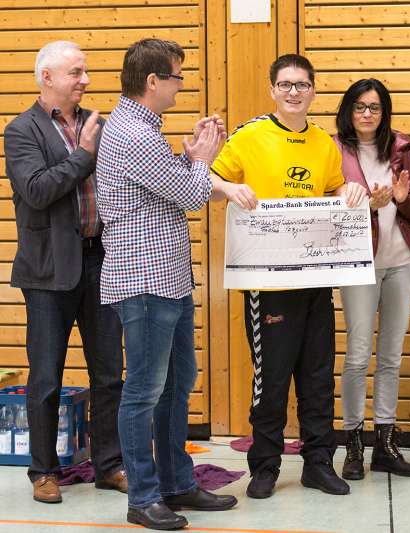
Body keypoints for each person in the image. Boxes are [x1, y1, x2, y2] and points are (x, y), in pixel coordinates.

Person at [96, 38, 238, 530]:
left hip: (169, 278)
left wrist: (189, 155)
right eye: (177, 76)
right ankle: (143, 496)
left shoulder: (144, 131)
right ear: (153, 81)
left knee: (177, 385)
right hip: (144, 280)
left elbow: (170, 185)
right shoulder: (133, 134)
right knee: (144, 390)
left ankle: (177, 482)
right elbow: (191, 193)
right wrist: (202, 157)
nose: (182, 84)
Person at [210, 53, 366, 499]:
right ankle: (265, 467)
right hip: (268, 285)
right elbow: (208, 178)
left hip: (315, 279)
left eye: (302, 85)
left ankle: (319, 463)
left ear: (314, 90)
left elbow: (333, 188)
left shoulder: (323, 142)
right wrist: (228, 187)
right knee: (271, 379)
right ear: (272, 90)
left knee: (318, 378)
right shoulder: (249, 136)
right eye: (286, 85)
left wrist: (347, 189)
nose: (294, 92)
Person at [4, 40, 127, 504]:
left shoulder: (98, 123)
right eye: (76, 72)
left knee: (109, 373)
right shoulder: (20, 131)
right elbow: (36, 190)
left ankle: (109, 465)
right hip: (48, 271)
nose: (86, 81)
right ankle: (43, 471)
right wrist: (84, 156)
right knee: (46, 378)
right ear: (47, 78)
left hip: (102, 260)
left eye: (86, 72)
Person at [332, 79, 410, 480]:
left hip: (401, 261)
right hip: (358, 263)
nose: (367, 114)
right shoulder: (333, 148)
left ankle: (386, 445)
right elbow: (325, 208)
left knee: (390, 356)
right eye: (359, 107)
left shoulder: (402, 148)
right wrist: (363, 207)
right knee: (356, 356)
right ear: (348, 111)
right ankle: (353, 444)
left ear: (385, 111)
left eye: (374, 107)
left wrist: (403, 199)